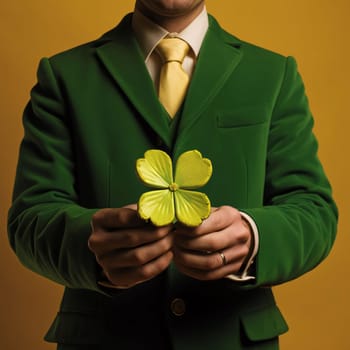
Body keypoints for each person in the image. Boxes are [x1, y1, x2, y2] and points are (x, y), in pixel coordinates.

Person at [8, 1, 338, 349]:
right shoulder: (64, 75)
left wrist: (254, 239)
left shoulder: (273, 73)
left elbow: (314, 210)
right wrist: (92, 249)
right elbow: (30, 216)